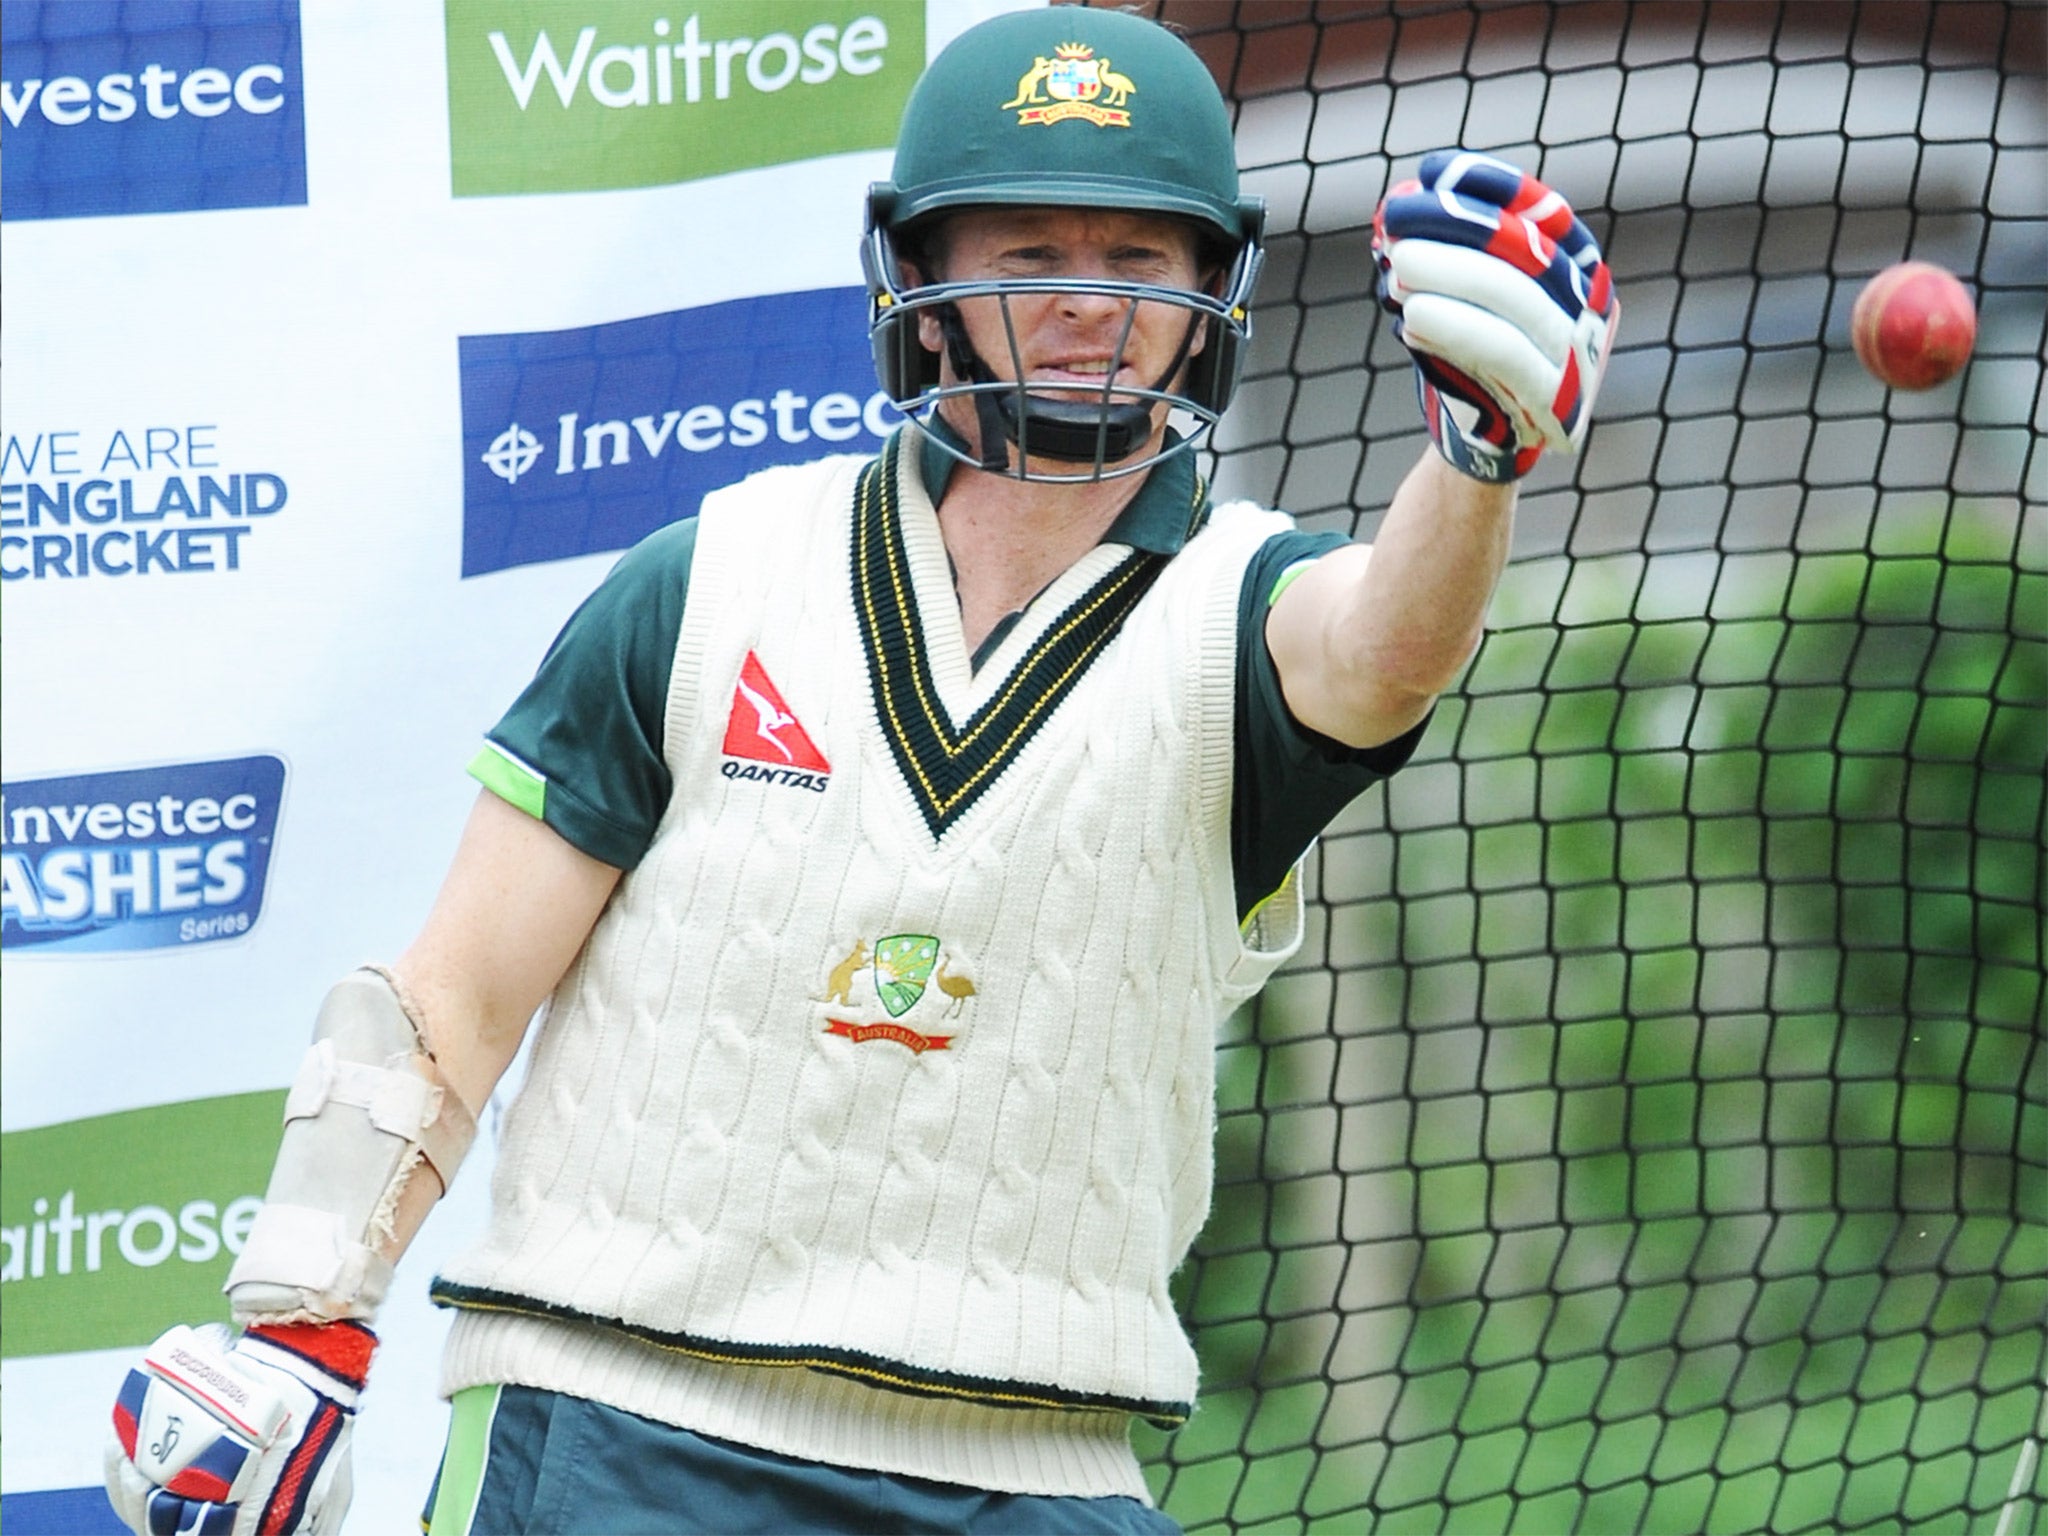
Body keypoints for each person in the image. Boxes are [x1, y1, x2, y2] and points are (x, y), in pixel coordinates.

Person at [104, 7, 1615, 1533]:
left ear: (1209, 290)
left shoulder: (1248, 604)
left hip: (1039, 1467)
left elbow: (1382, 651)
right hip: (620, 1423)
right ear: (930, 287)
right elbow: (454, 996)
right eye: (1030, 259)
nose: (1090, 305)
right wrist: (305, 1316)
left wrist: (1477, 460)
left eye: (1140, 262)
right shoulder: (707, 581)